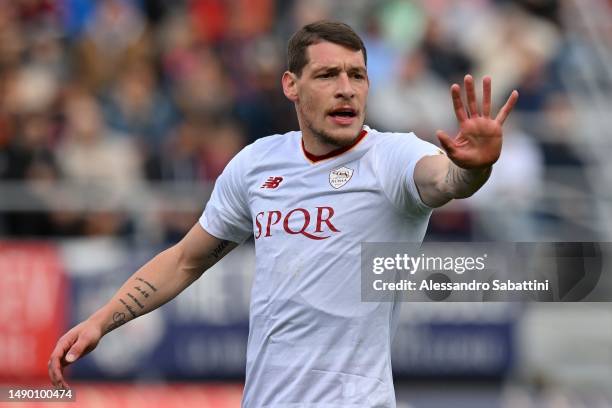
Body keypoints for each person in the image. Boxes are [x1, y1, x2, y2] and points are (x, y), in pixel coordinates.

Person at [48, 20, 518, 407]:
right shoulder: (258, 164)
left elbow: (443, 181)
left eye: (357, 75)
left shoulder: (391, 156)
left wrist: (472, 169)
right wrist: (100, 321)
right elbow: (185, 259)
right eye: (328, 74)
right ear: (291, 85)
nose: (346, 89)